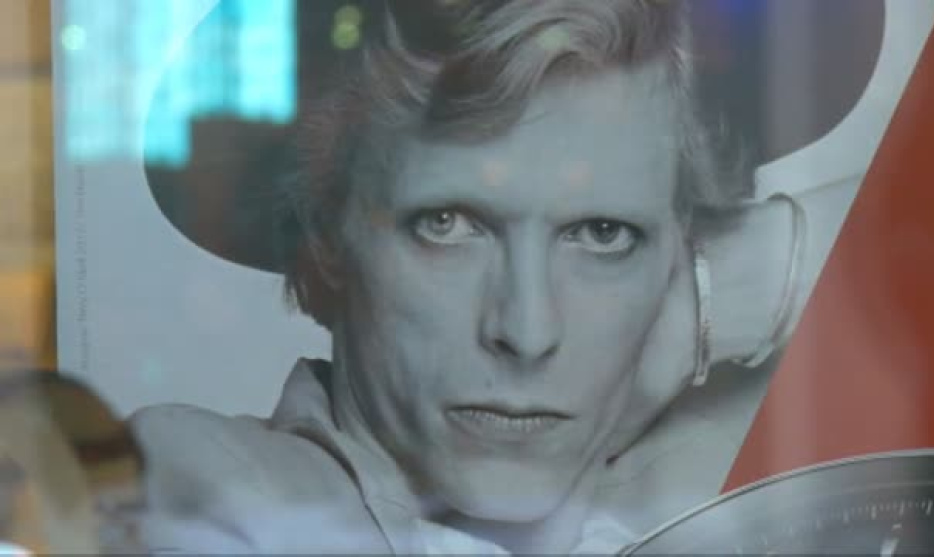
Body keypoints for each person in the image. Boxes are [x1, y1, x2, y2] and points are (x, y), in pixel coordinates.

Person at [133, 0, 880, 553]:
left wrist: (708, 299)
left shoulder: (739, 456)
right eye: (449, 224)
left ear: (680, 244)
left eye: (603, 234)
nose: (527, 330)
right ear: (327, 230)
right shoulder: (212, 486)